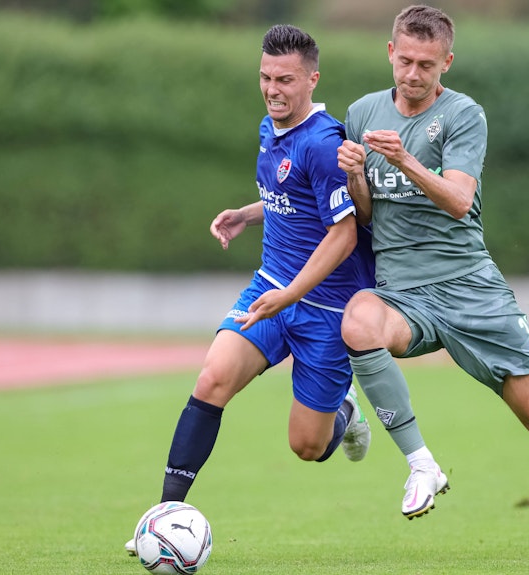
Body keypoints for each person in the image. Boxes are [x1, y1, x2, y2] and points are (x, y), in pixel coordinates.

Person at [336, 5, 529, 559]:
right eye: (405, 61)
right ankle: (421, 464)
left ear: (447, 63)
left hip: (470, 290)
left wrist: (405, 159)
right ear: (390, 52)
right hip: (403, 294)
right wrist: (357, 176)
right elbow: (364, 216)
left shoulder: (463, 115)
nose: (412, 74)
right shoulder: (362, 112)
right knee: (358, 321)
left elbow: (460, 200)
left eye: (426, 64)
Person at [125, 24, 374, 555]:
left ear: (312, 79)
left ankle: (345, 413)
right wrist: (247, 213)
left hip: (327, 310)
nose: (272, 89)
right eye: (265, 77)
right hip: (271, 288)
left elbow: (345, 234)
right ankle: (163, 517)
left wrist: (292, 295)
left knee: (307, 446)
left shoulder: (325, 145)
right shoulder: (271, 128)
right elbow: (292, 198)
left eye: (285, 79)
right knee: (212, 378)